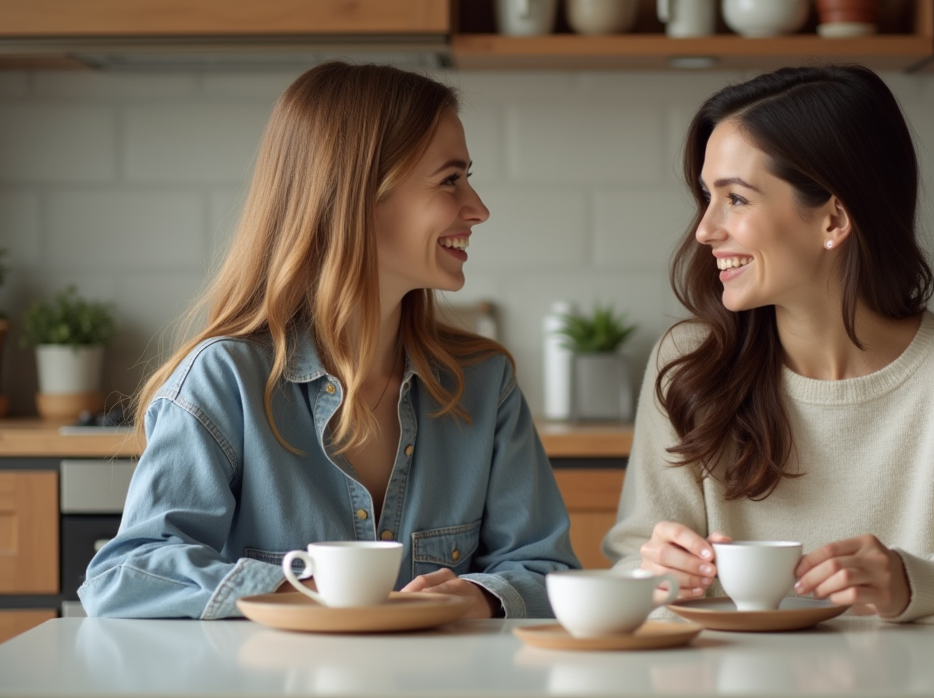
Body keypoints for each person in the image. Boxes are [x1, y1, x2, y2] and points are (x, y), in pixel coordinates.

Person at [80, 62, 579, 620]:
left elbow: (546, 571)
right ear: (357, 195)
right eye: (450, 180)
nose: (478, 209)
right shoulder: (224, 380)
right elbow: (126, 575)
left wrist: (482, 597)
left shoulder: (485, 383)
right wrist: (305, 592)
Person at [603, 65, 934, 623]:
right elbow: (632, 571)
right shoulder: (690, 363)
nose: (705, 229)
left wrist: (915, 585)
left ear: (833, 219)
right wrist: (655, 578)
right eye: (707, 197)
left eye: (735, 199)